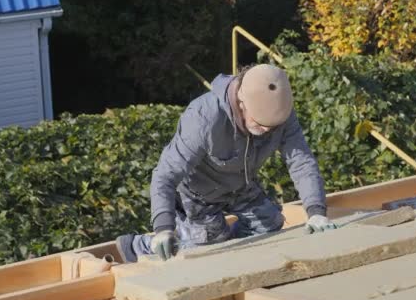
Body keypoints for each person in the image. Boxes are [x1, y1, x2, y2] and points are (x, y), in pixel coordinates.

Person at [116, 64, 336, 263]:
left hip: (241, 185)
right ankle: (138, 246)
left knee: (269, 224)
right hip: (198, 194)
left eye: (272, 128)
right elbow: (165, 174)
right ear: (242, 103)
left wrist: (316, 211)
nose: (268, 132)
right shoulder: (204, 118)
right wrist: (163, 228)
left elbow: (301, 162)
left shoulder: (280, 113)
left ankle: (234, 257)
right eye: (261, 125)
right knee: (206, 246)